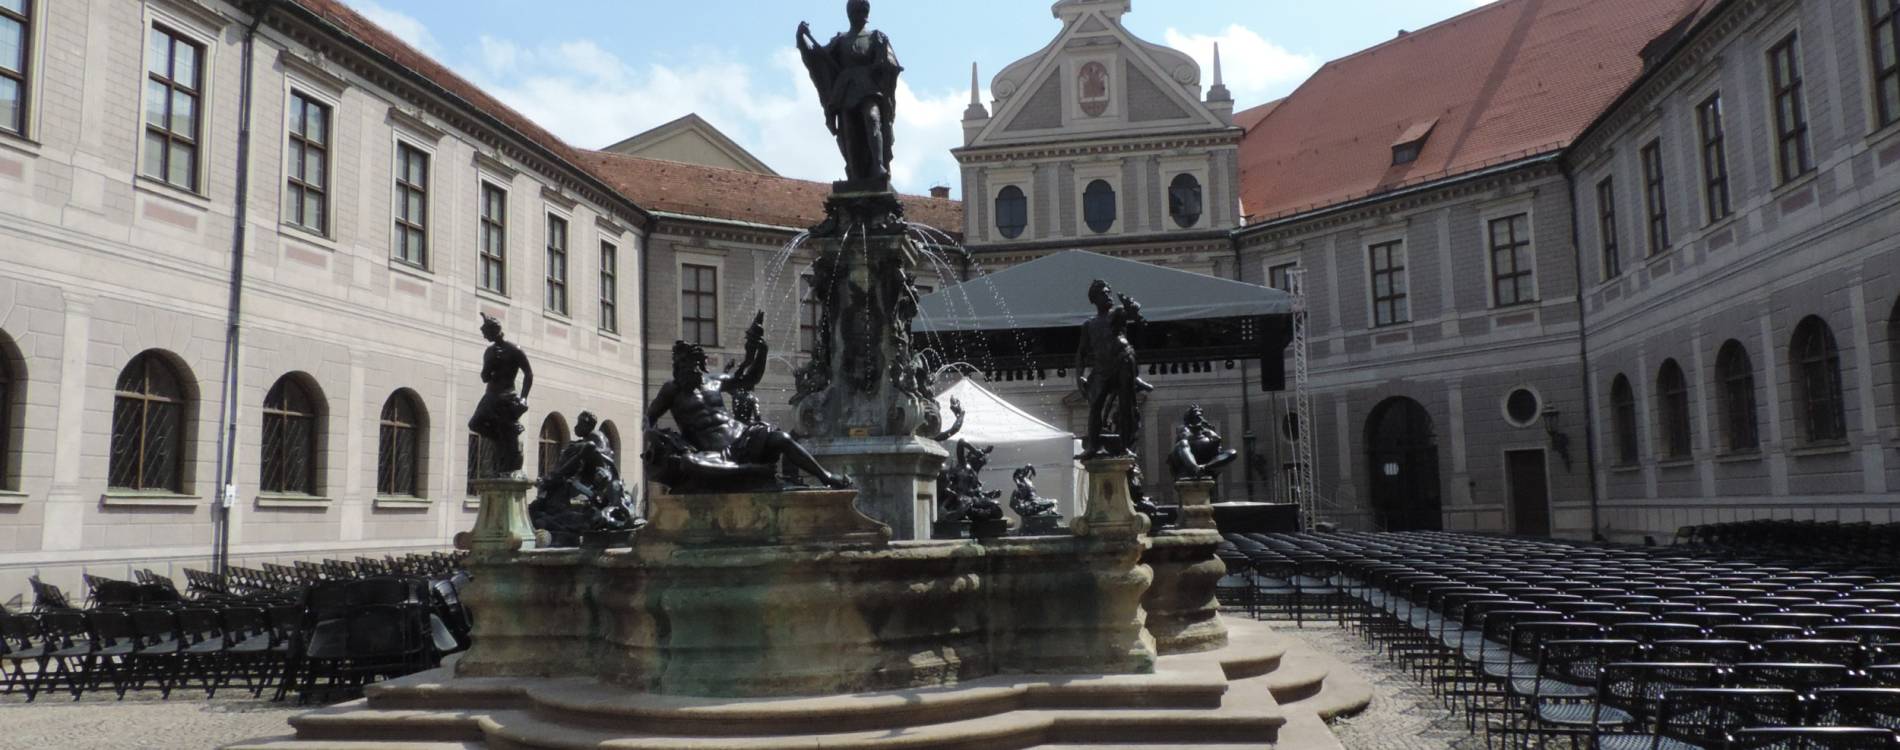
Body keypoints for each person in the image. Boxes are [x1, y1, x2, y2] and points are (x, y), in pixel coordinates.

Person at [646, 312, 852, 492]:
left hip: (742, 439)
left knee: (781, 438)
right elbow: (649, 418)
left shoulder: (715, 381)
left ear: (699, 364)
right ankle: (753, 471)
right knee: (689, 462)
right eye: (679, 364)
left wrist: (762, 351)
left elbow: (749, 380)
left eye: (687, 363)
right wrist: (654, 436)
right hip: (714, 454)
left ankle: (826, 476)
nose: (682, 368)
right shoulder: (671, 390)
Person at [797, 0, 903, 190]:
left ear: (867, 14)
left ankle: (878, 165)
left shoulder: (876, 37)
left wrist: (880, 65)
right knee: (849, 133)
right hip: (845, 90)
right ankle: (855, 174)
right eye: (856, 11)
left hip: (869, 87)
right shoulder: (841, 40)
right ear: (849, 14)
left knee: (872, 118)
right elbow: (818, 58)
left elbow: (890, 64)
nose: (859, 14)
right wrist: (802, 38)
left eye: (862, 11)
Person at [1075, 280, 1146, 457]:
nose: (1108, 295)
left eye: (1108, 292)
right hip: (1101, 368)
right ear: (1094, 299)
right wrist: (1079, 377)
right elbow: (1081, 352)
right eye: (1103, 293)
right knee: (1095, 405)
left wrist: (1132, 307)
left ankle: (1125, 446)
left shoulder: (1118, 313)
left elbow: (1136, 317)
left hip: (1123, 361)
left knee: (1126, 404)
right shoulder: (1089, 325)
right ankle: (1093, 446)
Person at [468, 313, 532, 474]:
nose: (484, 336)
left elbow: (528, 374)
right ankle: (500, 440)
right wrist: (490, 364)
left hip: (507, 396)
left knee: (508, 433)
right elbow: (485, 377)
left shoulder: (514, 350)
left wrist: (523, 398)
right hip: (491, 395)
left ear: (493, 331)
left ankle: (507, 449)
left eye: (485, 333)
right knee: (475, 424)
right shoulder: (489, 352)